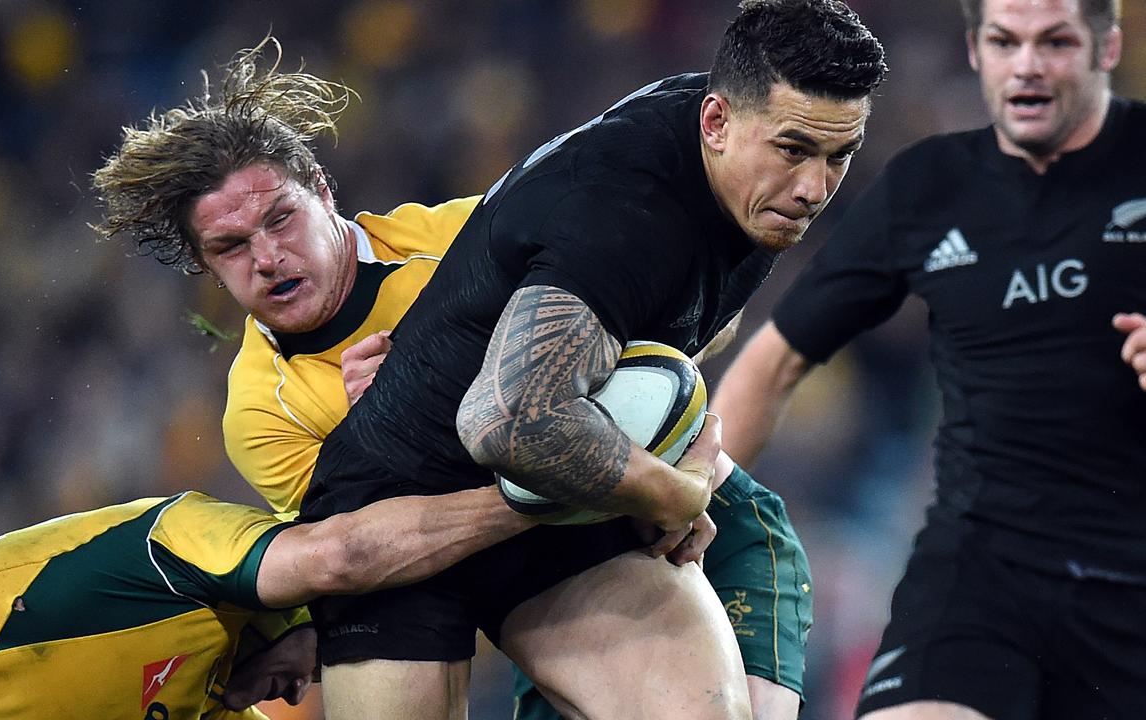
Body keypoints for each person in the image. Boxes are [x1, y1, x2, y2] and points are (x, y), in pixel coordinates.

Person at [93, 32, 828, 719]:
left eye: (280, 218)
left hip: (643, 525)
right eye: (231, 246)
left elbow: (671, 314)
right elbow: (373, 550)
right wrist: (400, 444)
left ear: (322, 190)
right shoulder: (260, 414)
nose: (268, 257)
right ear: (204, 267)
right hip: (490, 556)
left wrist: (661, 438)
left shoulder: (460, 236)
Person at [288, 1, 881, 716]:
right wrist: (671, 491)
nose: (814, 187)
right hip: (402, 510)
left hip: (559, 505)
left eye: (837, 156)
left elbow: (672, 333)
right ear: (715, 122)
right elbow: (507, 421)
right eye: (792, 151)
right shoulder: (626, 213)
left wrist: (682, 437)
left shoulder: (739, 172)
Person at [715, 0, 1146, 717]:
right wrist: (691, 507)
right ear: (976, 51)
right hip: (978, 581)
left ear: (1107, 48)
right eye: (1005, 41)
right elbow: (771, 363)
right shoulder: (926, 188)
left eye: (1055, 42)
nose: (1028, 65)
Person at [0, 486, 533, 719]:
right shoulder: (183, 537)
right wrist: (537, 502)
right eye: (325, 659)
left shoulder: (210, 700)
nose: (301, 692)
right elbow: (341, 556)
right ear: (310, 607)